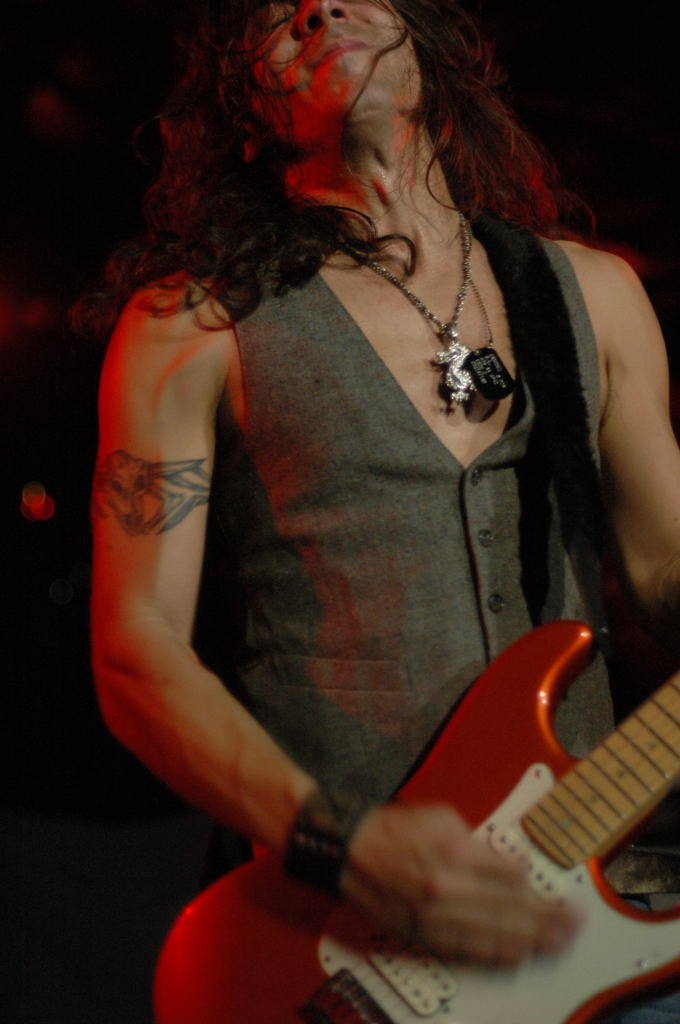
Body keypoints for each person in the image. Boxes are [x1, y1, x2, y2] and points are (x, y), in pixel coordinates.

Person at [82, 0, 680, 1018]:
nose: (317, 8)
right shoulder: (189, 325)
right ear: (242, 116)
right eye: (274, 16)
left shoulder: (593, 292)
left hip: (596, 904)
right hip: (341, 952)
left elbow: (661, 570)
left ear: (431, 45)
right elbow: (137, 654)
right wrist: (339, 842)